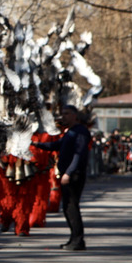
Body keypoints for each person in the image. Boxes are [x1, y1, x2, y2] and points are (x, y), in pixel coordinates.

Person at [32, 105, 90, 250]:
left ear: (75, 116)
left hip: (74, 175)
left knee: (71, 207)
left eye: (67, 113)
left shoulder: (81, 131)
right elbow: (56, 145)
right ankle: (74, 239)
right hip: (68, 174)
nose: (63, 116)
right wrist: (36, 144)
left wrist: (68, 173)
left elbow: (79, 154)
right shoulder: (69, 131)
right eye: (62, 114)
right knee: (67, 208)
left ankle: (78, 240)